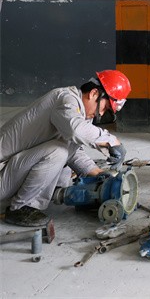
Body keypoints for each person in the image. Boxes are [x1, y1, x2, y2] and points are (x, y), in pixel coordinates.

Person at [0, 70, 131, 227]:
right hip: (3, 174)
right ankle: (20, 208)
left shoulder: (80, 114)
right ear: (94, 93)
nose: (102, 114)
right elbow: (75, 130)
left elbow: (73, 150)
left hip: (11, 171)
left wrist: (98, 174)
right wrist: (111, 141)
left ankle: (53, 193)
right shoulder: (66, 100)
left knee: (63, 150)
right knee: (57, 152)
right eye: (106, 107)